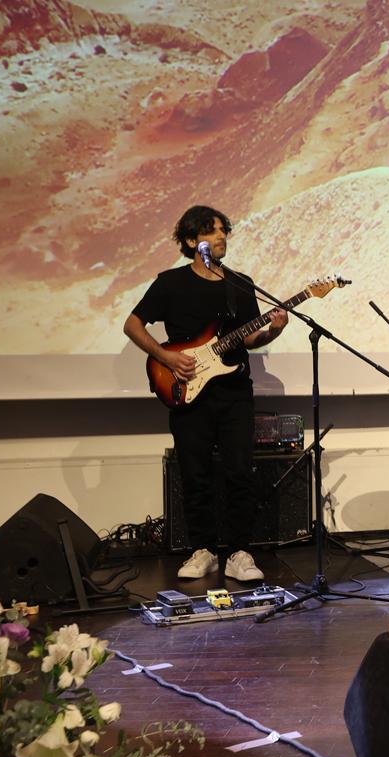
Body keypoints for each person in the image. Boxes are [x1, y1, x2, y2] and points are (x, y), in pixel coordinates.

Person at [123, 205, 288, 582]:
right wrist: (166, 356)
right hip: (186, 389)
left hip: (234, 392)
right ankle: (203, 550)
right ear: (189, 241)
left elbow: (250, 338)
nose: (220, 237)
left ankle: (240, 552)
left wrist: (274, 330)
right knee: (194, 474)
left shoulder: (240, 284)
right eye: (211, 232)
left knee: (239, 472)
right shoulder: (170, 283)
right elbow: (132, 325)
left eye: (223, 231)